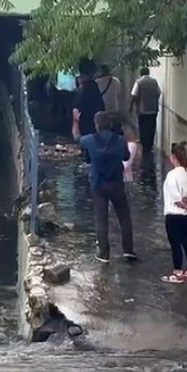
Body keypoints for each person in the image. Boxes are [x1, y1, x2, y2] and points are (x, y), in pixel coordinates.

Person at [73, 110, 137, 263]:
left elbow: (76, 138)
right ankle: (128, 250)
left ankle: (104, 253)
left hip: (98, 185)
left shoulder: (90, 140)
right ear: (110, 124)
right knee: (124, 217)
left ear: (96, 125)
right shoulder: (120, 140)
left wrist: (75, 121)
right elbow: (126, 157)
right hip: (116, 183)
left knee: (101, 219)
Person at [160, 142, 187, 283]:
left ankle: (177, 272)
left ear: (173, 157)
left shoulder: (172, 175)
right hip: (186, 214)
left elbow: (175, 197)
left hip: (173, 214)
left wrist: (182, 204)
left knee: (175, 243)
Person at [129, 67, 161, 154]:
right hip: (153, 109)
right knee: (151, 127)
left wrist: (132, 106)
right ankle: (150, 144)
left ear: (140, 73)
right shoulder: (154, 81)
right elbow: (158, 93)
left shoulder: (138, 82)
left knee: (143, 127)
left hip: (142, 109)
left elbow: (134, 95)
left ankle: (144, 144)